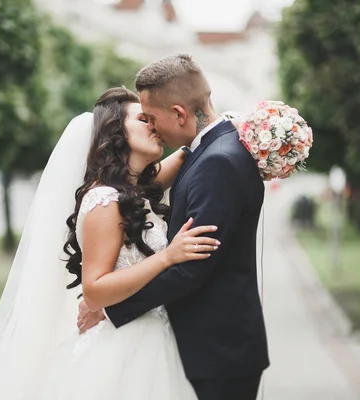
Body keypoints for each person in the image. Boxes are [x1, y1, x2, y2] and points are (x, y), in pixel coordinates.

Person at [0, 86, 218, 400]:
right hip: (123, 353)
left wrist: (214, 128)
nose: (154, 125)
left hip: (152, 341)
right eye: (143, 119)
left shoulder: (134, 192)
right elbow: (95, 288)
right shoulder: (104, 200)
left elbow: (184, 154)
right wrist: (167, 257)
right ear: (116, 134)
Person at [79, 54, 269, 400]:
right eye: (143, 120)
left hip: (217, 350)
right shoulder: (205, 152)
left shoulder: (217, 161)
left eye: (152, 118)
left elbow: (190, 271)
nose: (153, 127)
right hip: (200, 347)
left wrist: (109, 310)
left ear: (179, 113)